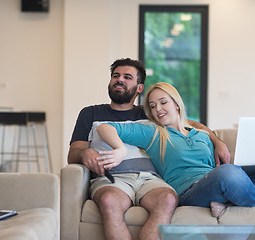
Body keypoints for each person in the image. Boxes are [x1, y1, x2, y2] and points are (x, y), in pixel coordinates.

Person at [68, 58, 231, 240]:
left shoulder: (150, 112)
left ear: (139, 88)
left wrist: (218, 142)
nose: (119, 79)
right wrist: (84, 153)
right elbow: (73, 153)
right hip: (114, 177)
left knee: (168, 199)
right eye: (116, 76)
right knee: (109, 201)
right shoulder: (90, 113)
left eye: (127, 77)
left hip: (150, 178)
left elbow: (188, 123)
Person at [96, 82, 255, 219]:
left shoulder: (202, 134)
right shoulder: (152, 132)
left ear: (176, 104)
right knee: (229, 173)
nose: (158, 109)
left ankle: (229, 204)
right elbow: (105, 127)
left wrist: (221, 147)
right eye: (152, 106)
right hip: (190, 191)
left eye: (163, 102)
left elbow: (217, 167)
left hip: (217, 180)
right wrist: (120, 148)